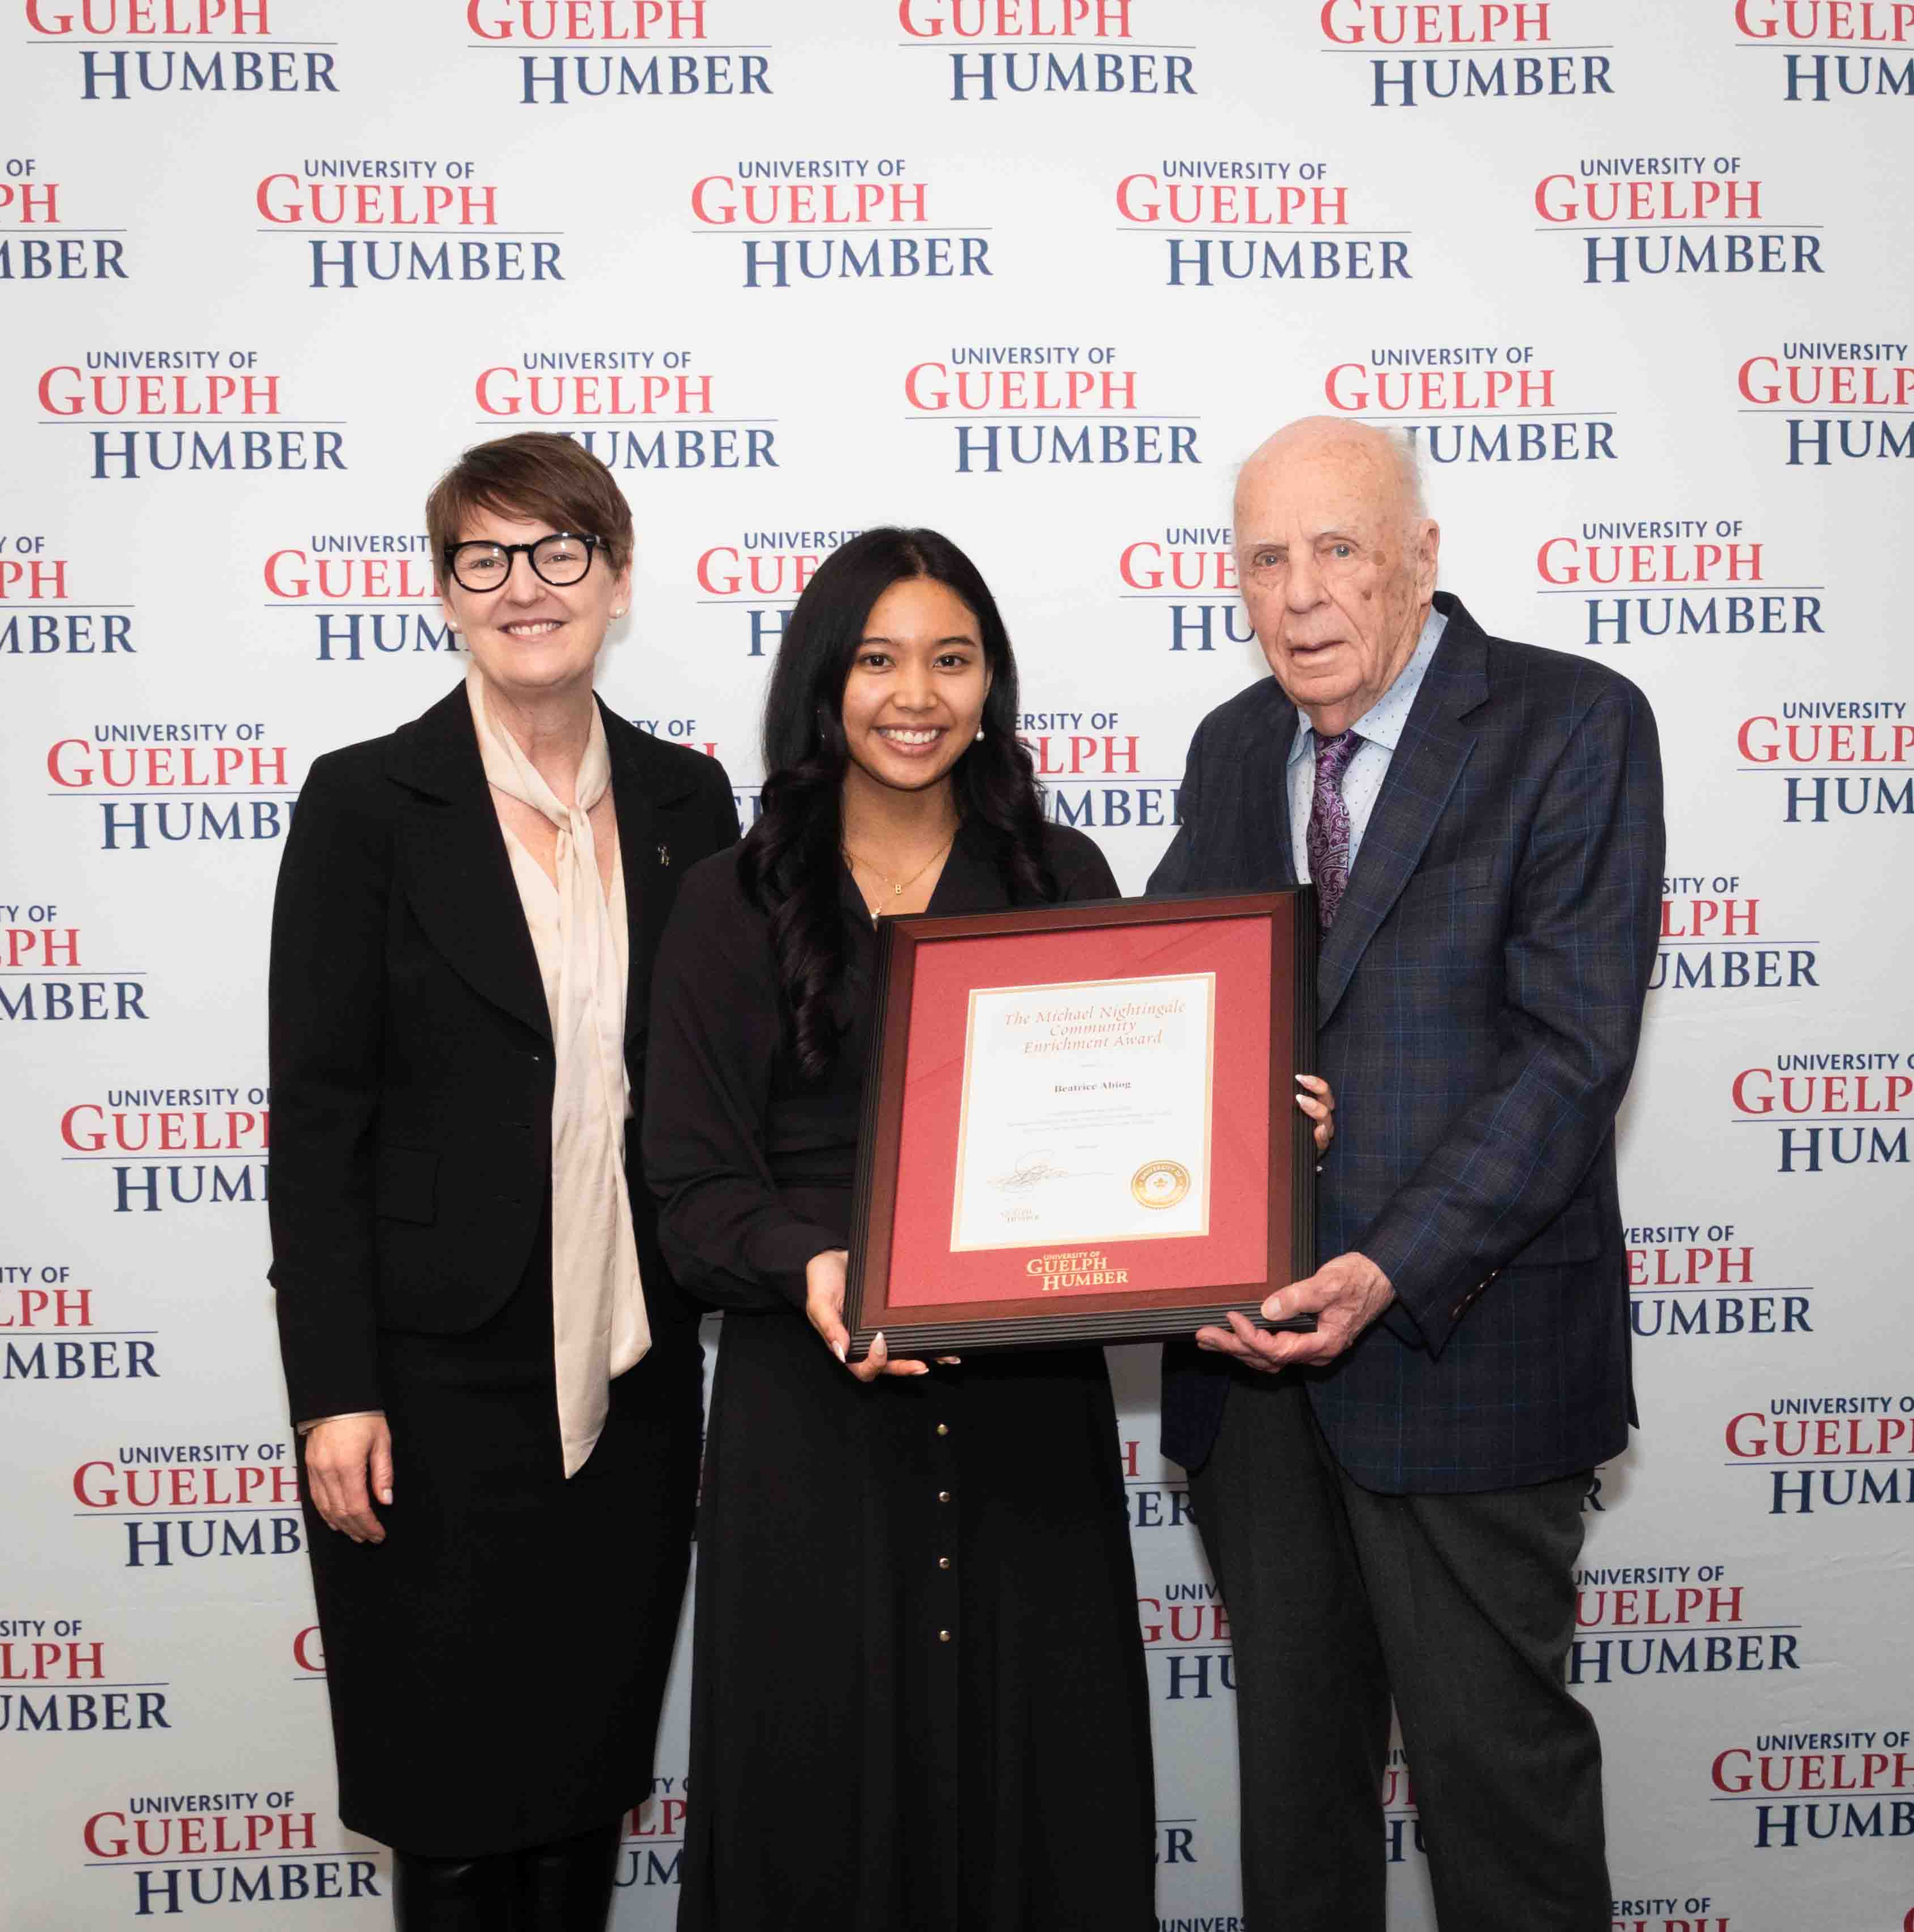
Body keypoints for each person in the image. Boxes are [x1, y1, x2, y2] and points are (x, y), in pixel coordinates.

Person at [643, 526, 1330, 1931]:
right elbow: (692, 1194)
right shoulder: (729, 897)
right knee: (819, 1806)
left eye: (952, 659)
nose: (916, 693)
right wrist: (815, 1266)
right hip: (813, 1416)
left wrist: (1257, 1136)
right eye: (881, 658)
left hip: (1028, 1425)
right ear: (826, 681)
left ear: (990, 683)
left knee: (1044, 1803)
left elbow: (1141, 1126)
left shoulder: (1058, 873)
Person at [1150, 417, 1664, 1931]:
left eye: (1338, 549)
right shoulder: (1236, 746)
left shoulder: (1573, 725)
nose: (1300, 594)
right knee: (1299, 1819)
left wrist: (1389, 1263)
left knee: (1499, 1809)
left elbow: (1572, 1057)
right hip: (1256, 1386)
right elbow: (1193, 1007)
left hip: (1467, 1351)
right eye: (1265, 558)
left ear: (1422, 559)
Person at [266, 432, 738, 1931]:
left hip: (636, 1365)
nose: (525, 586)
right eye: (486, 557)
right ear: (445, 592)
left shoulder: (687, 802)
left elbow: (728, 1077)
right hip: (430, 1382)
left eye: (558, 553)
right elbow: (321, 1120)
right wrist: (334, 1389)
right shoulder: (365, 804)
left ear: (615, 577)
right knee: (452, 1779)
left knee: (588, 1762)